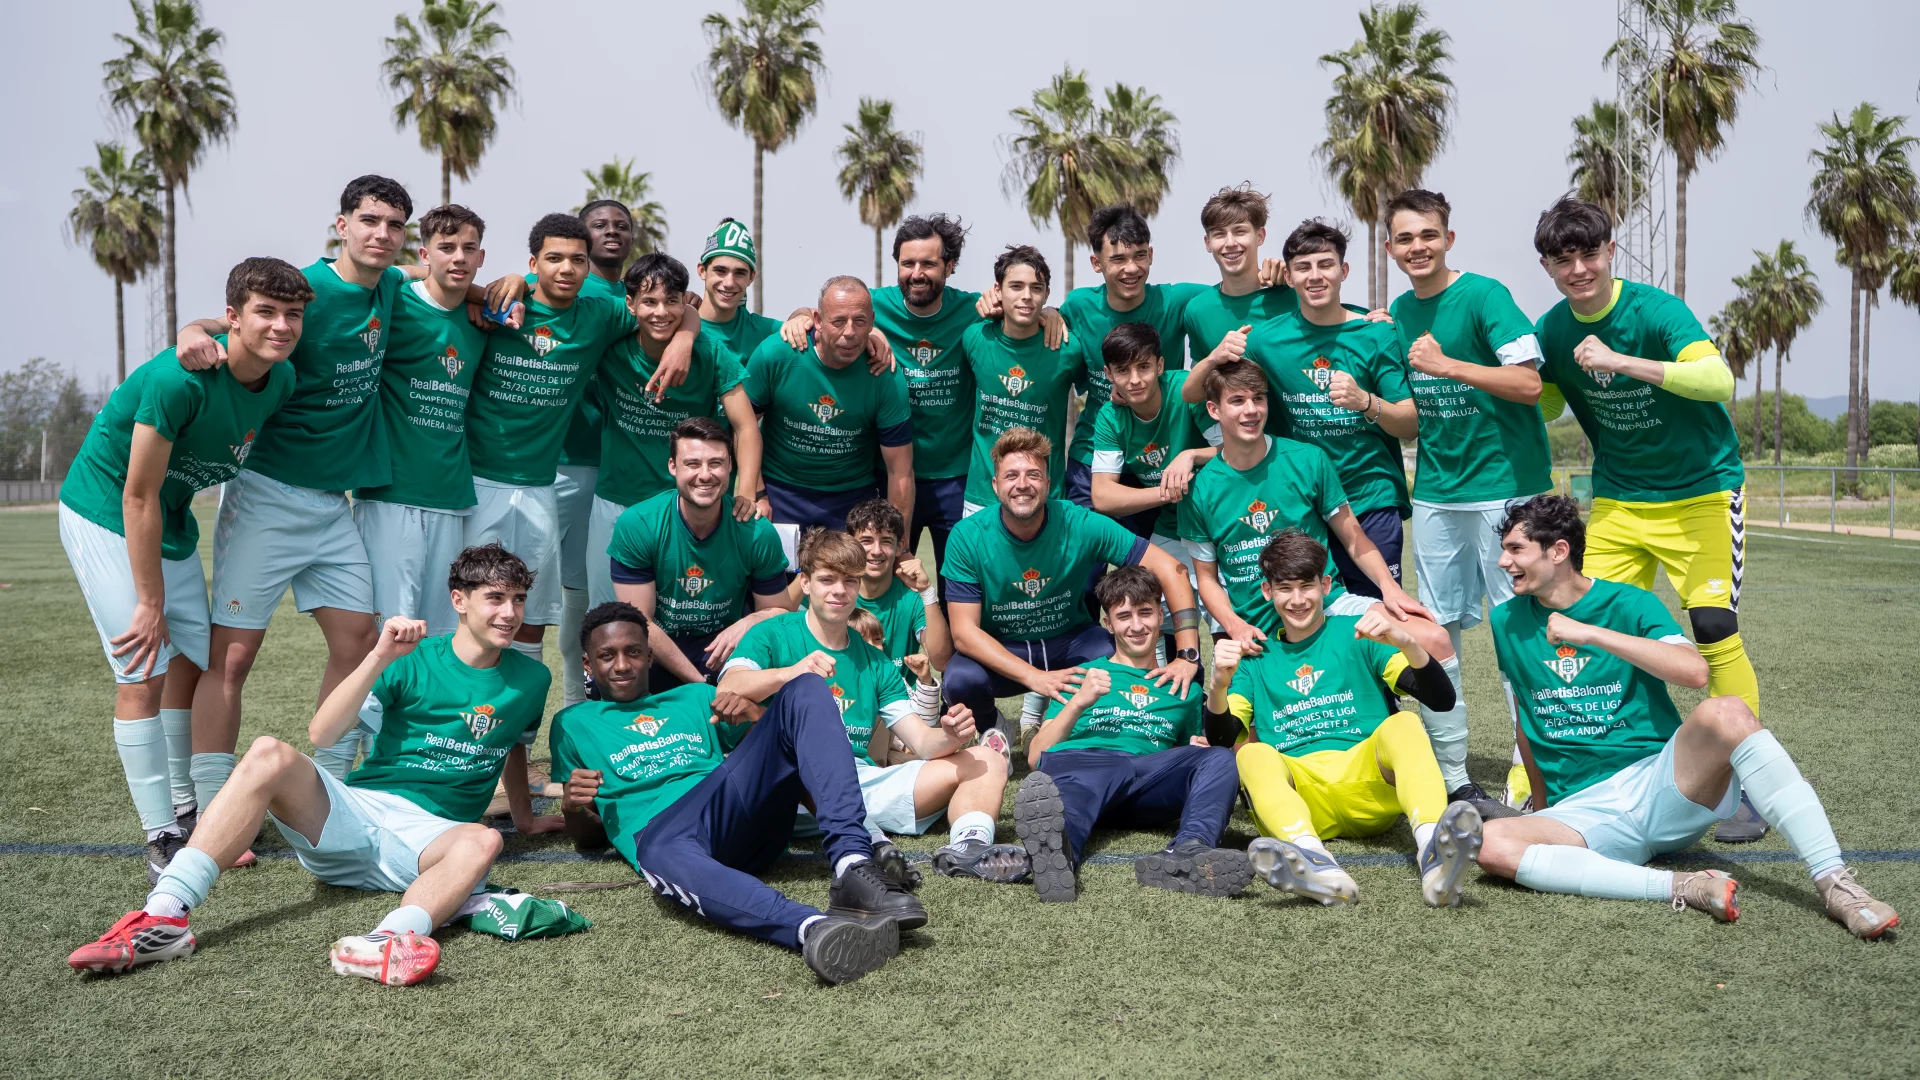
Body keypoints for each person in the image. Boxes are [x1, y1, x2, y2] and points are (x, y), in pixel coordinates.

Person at [68, 544, 565, 984]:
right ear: (459, 600)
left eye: (518, 599)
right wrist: (379, 656)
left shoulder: (531, 679)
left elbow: (512, 746)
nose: (510, 612)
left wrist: (523, 817)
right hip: (355, 814)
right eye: (495, 598)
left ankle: (384, 941)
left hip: (428, 841)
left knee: (484, 838)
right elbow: (322, 734)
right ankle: (165, 916)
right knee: (267, 752)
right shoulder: (412, 659)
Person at [1476, 496, 1898, 939]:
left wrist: (1591, 633)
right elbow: (1526, 715)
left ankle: (1837, 884)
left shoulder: (1629, 603)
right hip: (1583, 813)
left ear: (1558, 551)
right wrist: (1542, 807)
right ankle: (1686, 886)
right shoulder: (1505, 620)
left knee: (1728, 711)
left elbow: (1695, 671)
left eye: (1516, 549)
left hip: (1660, 785)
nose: (1504, 561)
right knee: (1494, 845)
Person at [172, 176, 413, 827]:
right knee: (235, 656)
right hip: (265, 499)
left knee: (359, 639)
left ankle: (332, 791)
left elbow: (446, 279)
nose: (381, 233)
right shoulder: (303, 288)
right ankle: (213, 804)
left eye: (394, 224)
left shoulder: (390, 284)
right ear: (341, 224)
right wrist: (190, 332)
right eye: (369, 220)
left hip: (334, 507)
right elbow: (227, 320)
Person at [58, 257, 304, 880]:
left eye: (292, 315)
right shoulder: (180, 380)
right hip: (106, 509)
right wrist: (149, 600)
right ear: (232, 319)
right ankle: (162, 833)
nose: (280, 326)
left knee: (192, 657)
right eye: (265, 313)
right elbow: (135, 495)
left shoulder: (281, 381)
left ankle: (187, 805)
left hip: (167, 518)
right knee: (143, 665)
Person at [1531, 195, 1767, 843]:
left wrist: (1620, 361)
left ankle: (1741, 781)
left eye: (1589, 253)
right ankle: (1603, 774)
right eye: (1562, 259)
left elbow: (1717, 381)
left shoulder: (1656, 311)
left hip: (1702, 495)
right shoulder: (1552, 329)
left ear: (1611, 251)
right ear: (1548, 266)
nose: (1578, 268)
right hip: (1619, 503)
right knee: (1589, 627)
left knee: (1713, 628)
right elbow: (1544, 403)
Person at [551, 602, 924, 984]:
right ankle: (813, 928)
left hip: (733, 814)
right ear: (587, 663)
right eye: (607, 656)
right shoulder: (572, 723)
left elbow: (785, 751)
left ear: (650, 656)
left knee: (806, 687)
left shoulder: (696, 696)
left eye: (633, 652)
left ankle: (853, 865)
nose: (622, 665)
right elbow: (590, 836)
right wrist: (573, 807)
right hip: (663, 833)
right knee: (655, 849)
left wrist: (753, 715)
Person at [718, 530, 1029, 882]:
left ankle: (969, 847)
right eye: (827, 579)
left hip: (859, 784)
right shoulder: (773, 633)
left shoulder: (875, 661)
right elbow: (729, 686)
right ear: (804, 583)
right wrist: (791, 673)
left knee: (986, 760)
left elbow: (922, 742)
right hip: (783, 785)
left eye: (850, 580)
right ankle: (870, 839)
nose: (839, 590)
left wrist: (950, 735)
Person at [463, 212, 696, 671]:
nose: (567, 268)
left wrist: (684, 338)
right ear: (533, 263)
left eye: (577, 260)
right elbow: (416, 276)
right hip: (473, 482)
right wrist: (493, 288)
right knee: (464, 608)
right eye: (554, 259)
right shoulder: (505, 303)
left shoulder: (602, 313)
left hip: (539, 485)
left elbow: (678, 305)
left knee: (531, 614)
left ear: (588, 267)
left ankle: (521, 738)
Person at [1383, 189, 1552, 809]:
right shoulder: (1399, 312)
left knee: (1518, 632)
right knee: (1435, 636)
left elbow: (1530, 384)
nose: (1418, 247)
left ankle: (1530, 772)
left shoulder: (1485, 296)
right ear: (1390, 248)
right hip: (1434, 494)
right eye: (1405, 238)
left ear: (1448, 239)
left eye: (1428, 235)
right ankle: (1453, 773)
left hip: (1508, 492)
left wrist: (1449, 364)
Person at [1207, 531, 1481, 909]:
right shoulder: (1254, 658)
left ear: (1326, 585)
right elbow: (1221, 738)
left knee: (1404, 724)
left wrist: (1406, 642)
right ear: (1267, 591)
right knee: (1250, 755)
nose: (1298, 599)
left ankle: (1433, 850)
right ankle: (1313, 860)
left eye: (1308, 586)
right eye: (1285, 589)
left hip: (1368, 787)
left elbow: (1441, 698)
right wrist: (1219, 685)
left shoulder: (1359, 634)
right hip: (1301, 797)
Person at [328, 204, 490, 779]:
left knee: (443, 643)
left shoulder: (480, 319)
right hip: (390, 498)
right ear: (423, 254)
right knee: (389, 637)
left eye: (469, 248)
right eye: (446, 248)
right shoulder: (395, 299)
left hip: (453, 501)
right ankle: (355, 768)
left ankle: (424, 765)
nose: (459, 258)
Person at [1188, 219, 1415, 600]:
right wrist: (1214, 356)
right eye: (1303, 267)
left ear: (1343, 271)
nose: (1315, 276)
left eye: (1326, 265)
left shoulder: (1376, 332)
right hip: (1301, 503)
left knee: (1382, 614)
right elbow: (1193, 394)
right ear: (1288, 277)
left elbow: (1409, 425)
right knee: (1309, 615)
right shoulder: (1265, 338)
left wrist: (1365, 402)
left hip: (1369, 497)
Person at [943, 427, 1207, 747]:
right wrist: (1033, 678)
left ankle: (1086, 734)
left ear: (1049, 484)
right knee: (959, 678)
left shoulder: (1078, 523)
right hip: (1004, 646)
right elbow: (964, 634)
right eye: (1011, 475)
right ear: (996, 485)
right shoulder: (967, 536)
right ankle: (992, 728)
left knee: (1112, 653)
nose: (1023, 484)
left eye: (1033, 475)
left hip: (1069, 643)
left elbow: (1173, 569)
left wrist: (1188, 654)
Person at [1015, 566, 1250, 902]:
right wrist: (1079, 702)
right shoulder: (1083, 675)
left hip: (1146, 781)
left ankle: (1189, 853)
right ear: (1108, 624)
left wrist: (1200, 749)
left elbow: (1198, 753)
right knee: (1063, 801)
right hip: (1086, 767)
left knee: (1218, 758)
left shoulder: (1182, 687)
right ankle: (1056, 858)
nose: (1137, 626)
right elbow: (1037, 756)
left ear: (1160, 615)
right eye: (1124, 616)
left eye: (1145, 613)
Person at [585, 253, 763, 610]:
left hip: (683, 506)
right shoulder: (610, 346)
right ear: (631, 304)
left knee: (679, 612)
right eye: (649, 302)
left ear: (685, 301)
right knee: (608, 617)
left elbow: (746, 426)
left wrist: (746, 491)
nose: (661, 312)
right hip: (615, 501)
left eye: (671, 301)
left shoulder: (710, 351)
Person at [607, 417, 792, 695]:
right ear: (672, 466)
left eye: (716, 463)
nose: (705, 475)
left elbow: (781, 612)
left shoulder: (756, 532)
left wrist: (747, 622)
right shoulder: (639, 524)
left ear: (731, 466)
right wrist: (701, 687)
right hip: (657, 649)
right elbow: (640, 621)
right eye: (692, 464)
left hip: (726, 650)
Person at [1058, 204, 1209, 509]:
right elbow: (1039, 322)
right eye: (1118, 259)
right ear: (1096, 262)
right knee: (1082, 554)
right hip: (1092, 456)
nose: (1131, 268)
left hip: (1158, 458)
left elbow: (1233, 293)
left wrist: (1271, 276)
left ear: (1150, 255)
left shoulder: (1176, 300)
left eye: (1139, 255)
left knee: (1149, 556)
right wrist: (1047, 313)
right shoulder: (1078, 306)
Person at [553, 198, 641, 708]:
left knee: (586, 601)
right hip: (543, 468)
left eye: (622, 226)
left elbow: (684, 316)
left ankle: (582, 712)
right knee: (528, 600)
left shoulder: (635, 296)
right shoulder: (564, 284)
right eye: (599, 225)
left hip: (602, 473)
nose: (612, 232)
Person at [744, 276, 914, 533]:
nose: (850, 332)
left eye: (860, 321)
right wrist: (758, 494)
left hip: (852, 499)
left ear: (872, 321)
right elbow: (742, 427)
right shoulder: (777, 354)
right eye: (838, 321)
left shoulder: (884, 374)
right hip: (781, 493)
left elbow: (899, 470)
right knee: (774, 573)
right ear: (818, 320)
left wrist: (898, 545)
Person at [1088, 322, 1221, 650]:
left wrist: (1190, 455)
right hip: (1171, 522)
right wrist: (1169, 490)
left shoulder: (1185, 392)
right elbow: (1103, 495)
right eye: (1123, 371)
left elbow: (1236, 451)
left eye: (1144, 367)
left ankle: (1228, 699)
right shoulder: (1110, 416)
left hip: (1219, 522)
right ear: (1109, 375)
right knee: (1149, 611)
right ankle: (1161, 698)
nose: (1134, 380)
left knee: (1223, 618)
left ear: (1160, 365)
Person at [960, 246, 1093, 516]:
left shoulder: (1068, 349)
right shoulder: (975, 338)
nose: (1026, 296)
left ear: (1047, 294)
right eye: (1016, 286)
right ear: (998, 291)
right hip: (982, 496)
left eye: (1036, 288)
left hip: (1045, 498)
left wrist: (1055, 313)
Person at [1177, 184, 1298, 377]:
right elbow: (1201, 382)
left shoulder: (1294, 296)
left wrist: (1296, 276)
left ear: (1260, 236)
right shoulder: (1197, 310)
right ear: (1208, 243)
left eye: (1240, 231)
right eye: (1219, 234)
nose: (1230, 243)